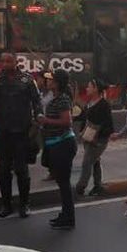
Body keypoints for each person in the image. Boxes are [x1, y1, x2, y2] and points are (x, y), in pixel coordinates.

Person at [0, 52, 42, 218]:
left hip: (21, 132)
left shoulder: (27, 80)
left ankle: (24, 204)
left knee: (22, 170)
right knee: (3, 170)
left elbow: (37, 102)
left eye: (8, 61)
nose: (4, 64)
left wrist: (37, 120)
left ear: (16, 62)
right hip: (2, 131)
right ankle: (6, 205)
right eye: (2, 61)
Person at [39, 70, 78, 229]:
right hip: (55, 144)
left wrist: (46, 120)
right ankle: (65, 214)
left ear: (57, 83)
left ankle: (69, 218)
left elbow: (67, 122)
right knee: (61, 182)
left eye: (51, 80)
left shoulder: (62, 99)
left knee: (64, 183)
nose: (48, 82)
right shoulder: (54, 98)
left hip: (63, 144)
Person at [74, 78, 113, 197]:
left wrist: (97, 135)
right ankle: (98, 185)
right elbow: (84, 119)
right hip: (88, 139)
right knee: (95, 161)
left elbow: (108, 125)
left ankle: (80, 187)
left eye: (89, 86)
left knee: (87, 162)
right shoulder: (90, 103)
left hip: (98, 141)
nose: (87, 88)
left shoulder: (104, 105)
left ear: (96, 89)